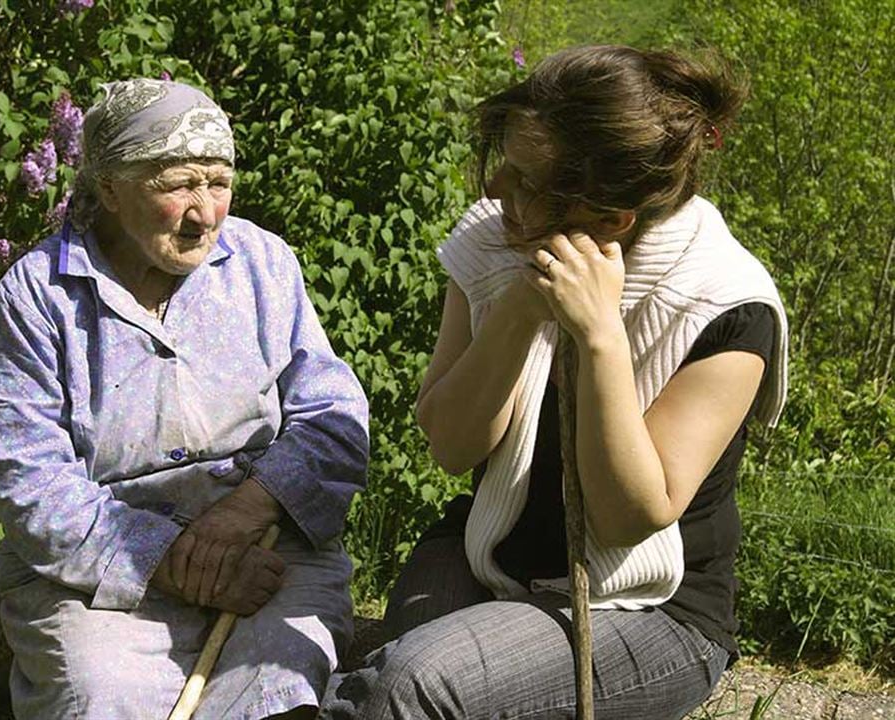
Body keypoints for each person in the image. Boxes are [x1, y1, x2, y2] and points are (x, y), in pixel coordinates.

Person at [319, 45, 788, 719]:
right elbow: (452, 447)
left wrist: (599, 338)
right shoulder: (493, 241)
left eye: (525, 178)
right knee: (395, 675)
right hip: (486, 550)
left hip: (653, 608)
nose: (493, 189)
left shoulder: (725, 302)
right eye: (503, 160)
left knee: (412, 684)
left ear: (609, 219)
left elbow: (629, 517)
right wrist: (519, 307)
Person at [0, 79, 369, 719]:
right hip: (97, 577)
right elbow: (33, 486)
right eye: (179, 185)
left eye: (218, 182)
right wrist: (173, 559)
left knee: (273, 695)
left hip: (266, 553)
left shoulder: (262, 264)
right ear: (109, 186)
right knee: (102, 698)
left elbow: (334, 420)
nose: (205, 212)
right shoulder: (38, 296)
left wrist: (245, 511)